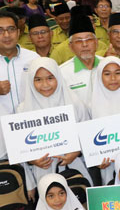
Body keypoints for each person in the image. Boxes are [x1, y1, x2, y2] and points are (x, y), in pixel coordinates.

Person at [18, 57, 92, 191]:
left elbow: (87, 133)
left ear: (58, 77)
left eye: (50, 78)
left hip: (75, 170)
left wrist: (76, 152)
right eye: (38, 79)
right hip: (41, 173)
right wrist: (32, 160)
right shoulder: (23, 110)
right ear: (30, 81)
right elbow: (19, 147)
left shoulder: (74, 103)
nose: (45, 84)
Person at [0, 11, 40, 114]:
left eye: (11, 29)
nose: (6, 35)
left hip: (32, 122)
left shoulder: (34, 58)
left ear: (18, 32)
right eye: (0, 30)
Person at [58, 15, 102, 103]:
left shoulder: (108, 65)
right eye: (78, 41)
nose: (84, 44)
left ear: (96, 43)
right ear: (71, 47)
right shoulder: (62, 73)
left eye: (89, 39)